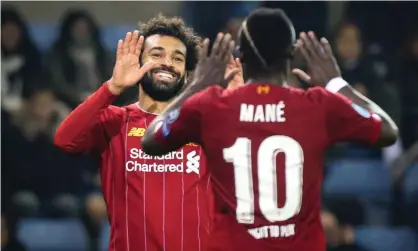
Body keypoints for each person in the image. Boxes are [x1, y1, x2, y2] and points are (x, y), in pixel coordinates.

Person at [141, 8, 398, 251]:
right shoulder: (320, 105)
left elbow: (152, 139)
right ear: (290, 56)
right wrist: (335, 83)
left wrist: (197, 85)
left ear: (241, 57)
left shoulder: (211, 105)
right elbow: (387, 130)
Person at [55, 15, 240, 251]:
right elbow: (64, 140)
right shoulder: (115, 120)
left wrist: (241, 103)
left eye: (177, 58)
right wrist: (112, 88)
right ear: (138, 62)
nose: (167, 63)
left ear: (186, 73)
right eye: (157, 54)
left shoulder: (203, 124)